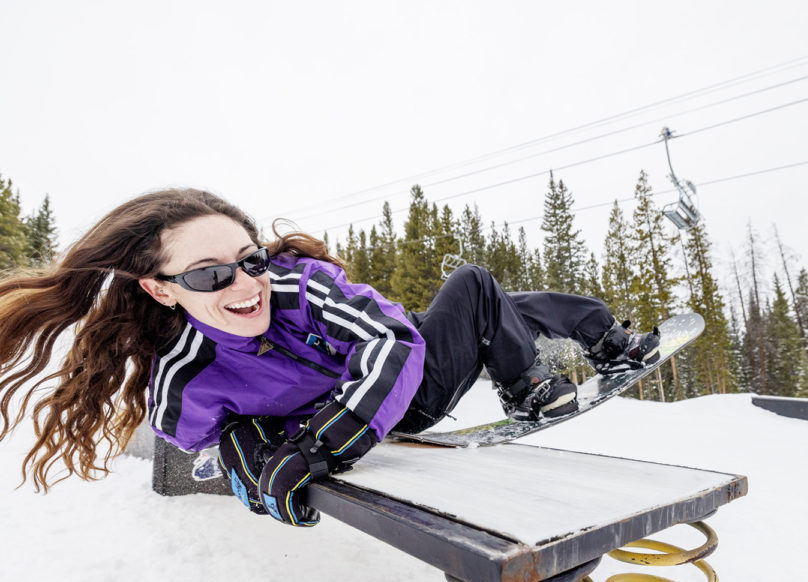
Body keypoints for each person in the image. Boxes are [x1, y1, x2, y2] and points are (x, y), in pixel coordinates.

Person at [0, 189, 660, 526]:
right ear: (160, 289)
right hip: (410, 400)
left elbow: (391, 341)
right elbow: (194, 435)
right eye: (210, 275)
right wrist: (243, 450)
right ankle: (573, 353)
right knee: (476, 290)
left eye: (249, 261)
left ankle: (578, 353)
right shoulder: (185, 373)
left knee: (487, 300)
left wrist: (321, 445)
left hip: (398, 376)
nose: (245, 285)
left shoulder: (297, 287)